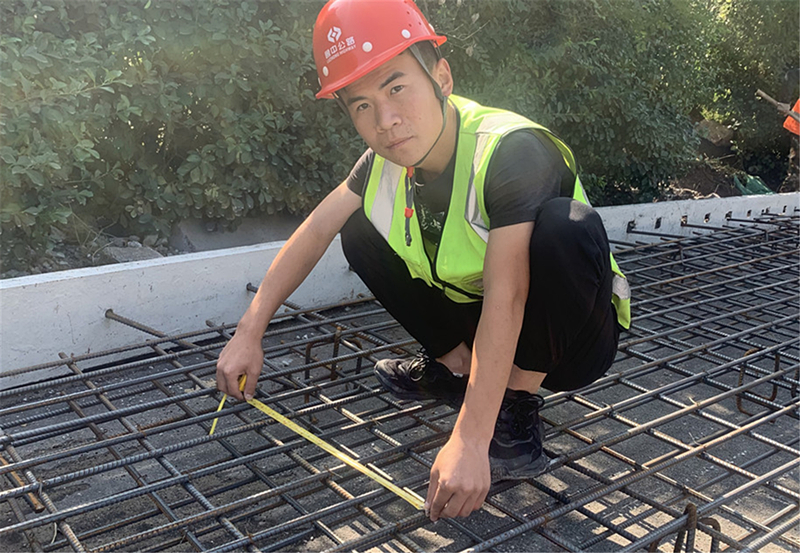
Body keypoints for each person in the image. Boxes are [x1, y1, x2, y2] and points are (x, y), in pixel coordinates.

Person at [216, 0, 630, 522]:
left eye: (396, 88)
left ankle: (513, 404)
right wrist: (249, 331)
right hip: (480, 319)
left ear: (441, 77)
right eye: (361, 105)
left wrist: (470, 439)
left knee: (565, 226)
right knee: (356, 227)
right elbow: (317, 229)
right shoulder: (384, 163)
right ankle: (456, 368)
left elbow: (509, 295)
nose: (385, 121)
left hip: (572, 338)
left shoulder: (510, 150)